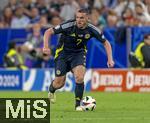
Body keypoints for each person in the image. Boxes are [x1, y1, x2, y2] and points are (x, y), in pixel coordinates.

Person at [43, 9, 114, 111]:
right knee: (59, 83)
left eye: (81, 18)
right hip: (63, 54)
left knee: (80, 77)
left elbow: (106, 43)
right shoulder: (69, 25)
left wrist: (110, 59)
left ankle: (77, 105)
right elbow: (48, 32)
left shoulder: (92, 29)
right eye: (77, 17)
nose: (79, 20)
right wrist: (46, 47)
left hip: (78, 54)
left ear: (87, 18)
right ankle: (51, 90)